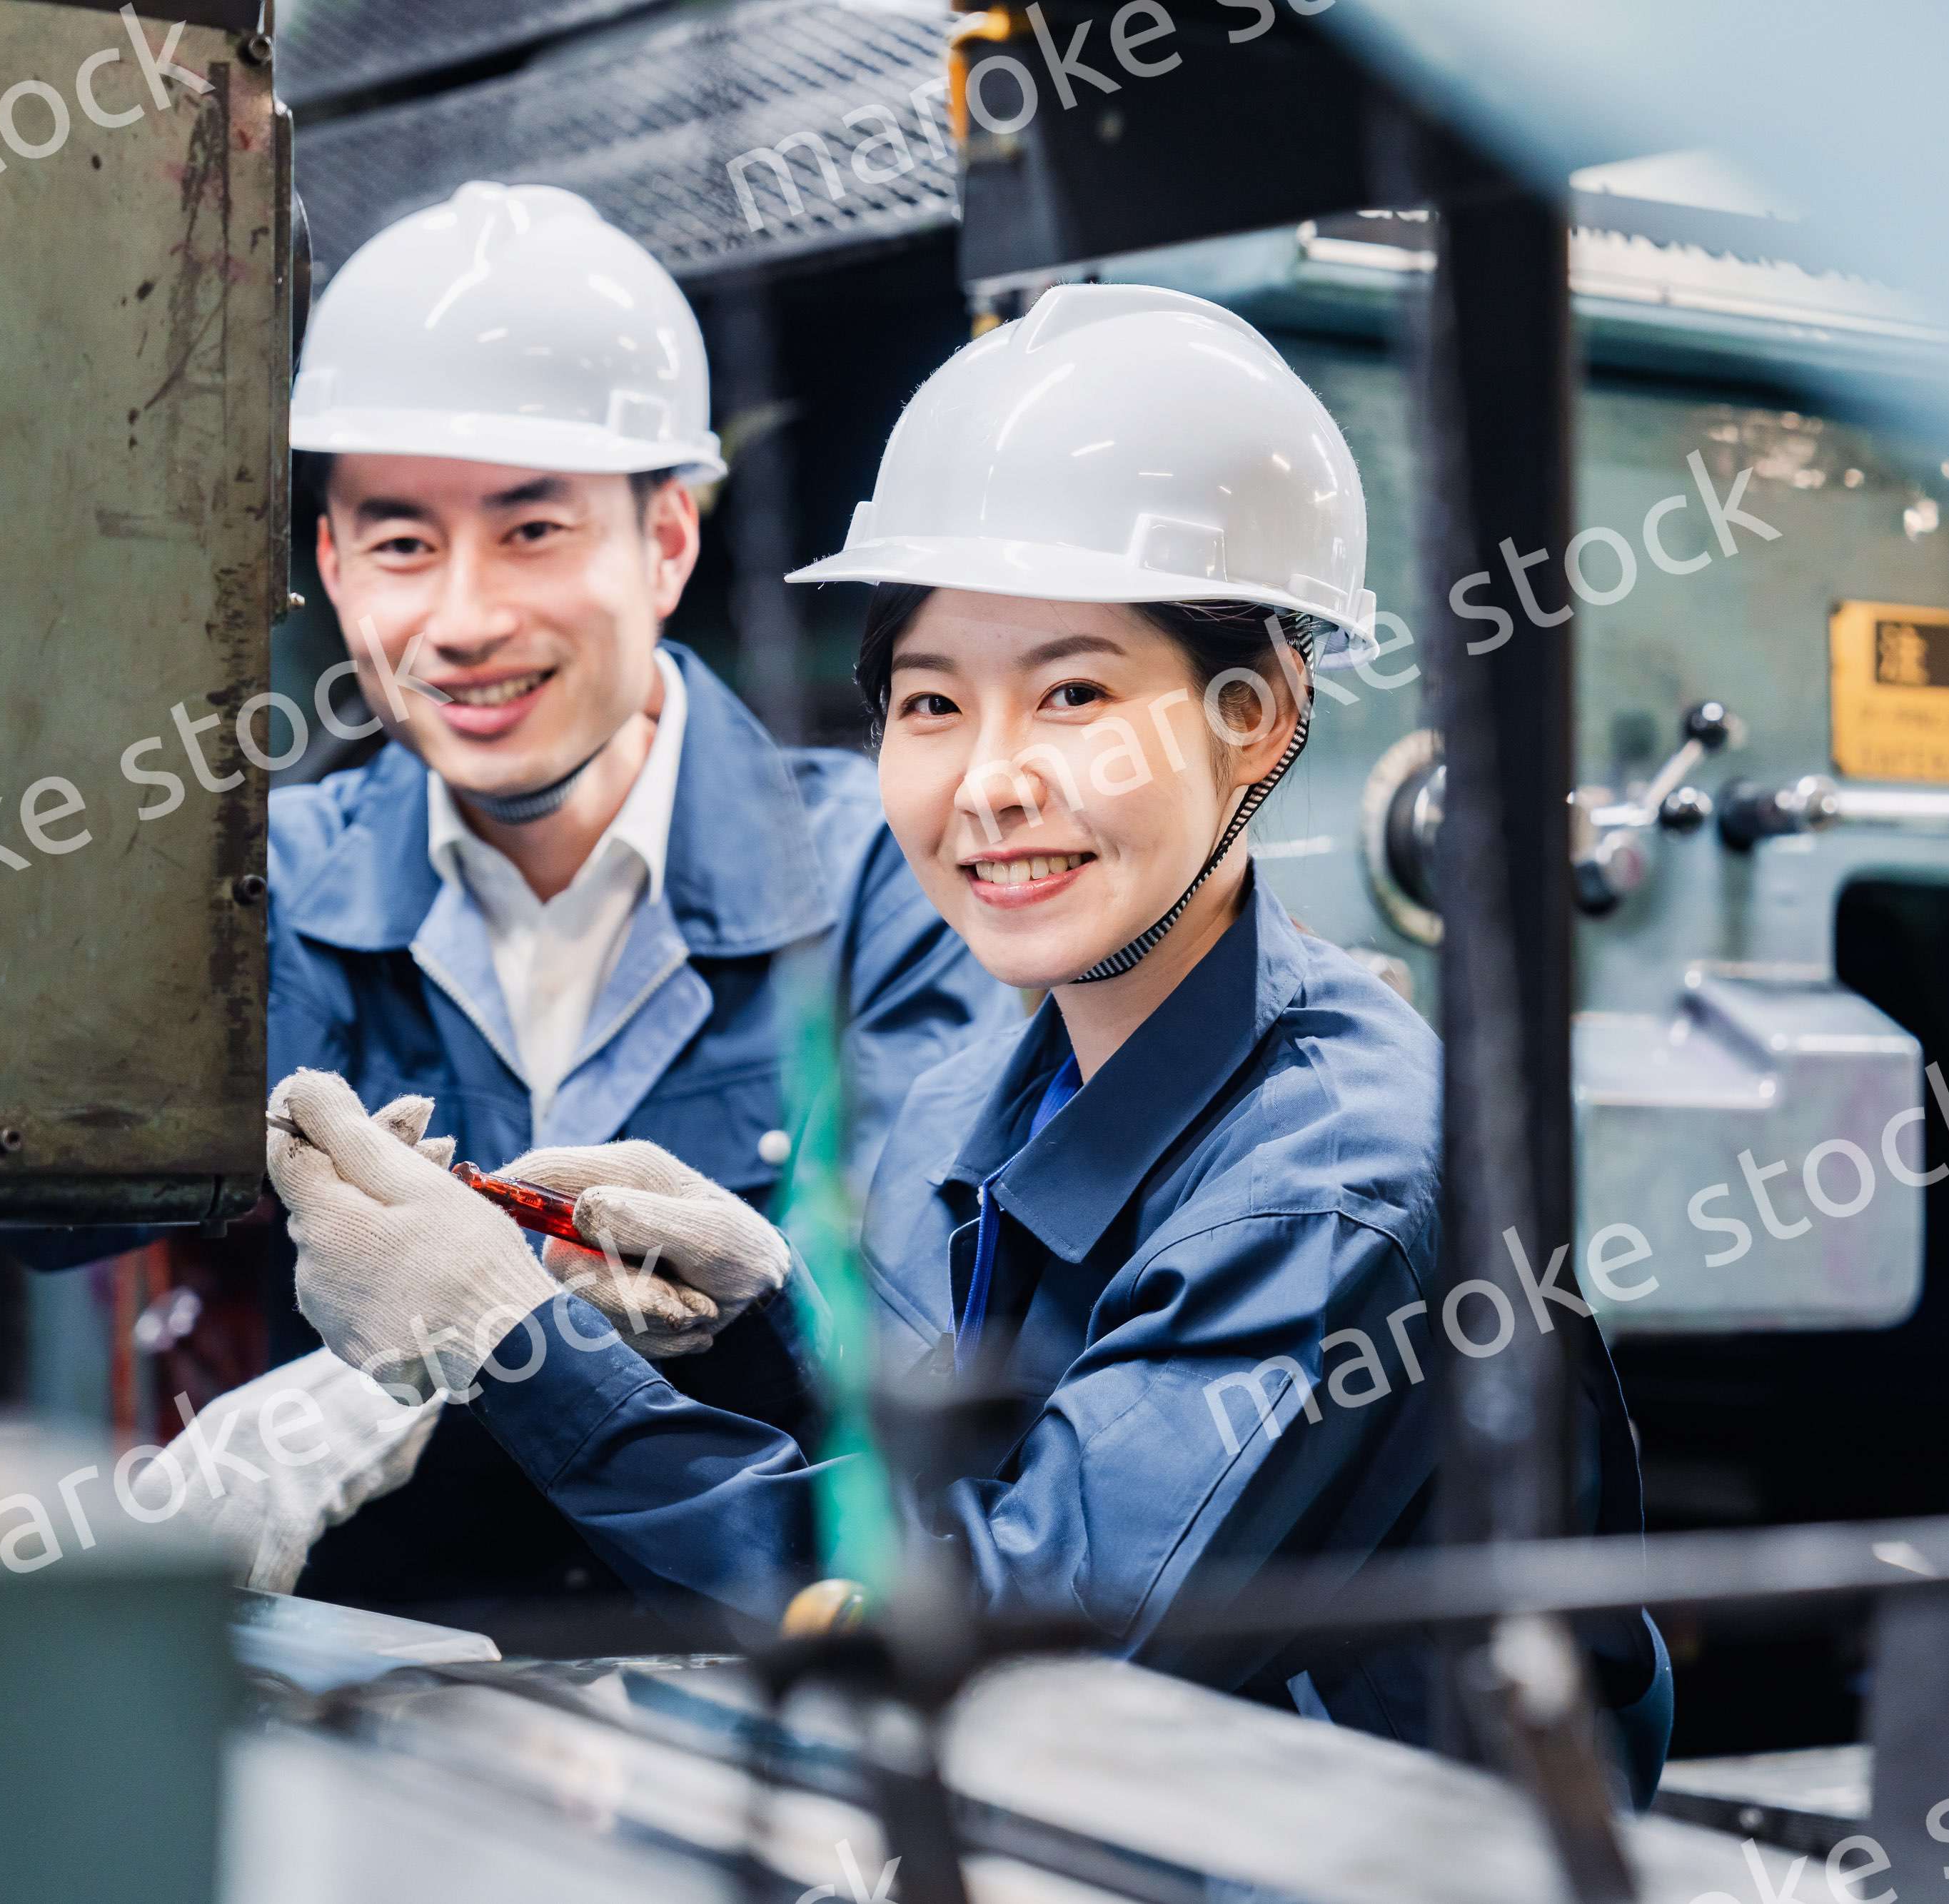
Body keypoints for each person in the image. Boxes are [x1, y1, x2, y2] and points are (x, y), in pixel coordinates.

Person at [265, 283, 1671, 1790]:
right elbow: (940, 1497)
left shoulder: (1336, 1181)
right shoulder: (961, 1107)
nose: (988, 781)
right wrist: (768, 1333)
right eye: (931, 703)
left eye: (1072, 694)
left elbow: (1004, 1648)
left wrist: (511, 1345)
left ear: (1256, 720)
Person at [139, 182, 1014, 1638]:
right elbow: (36, 1198)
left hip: (752, 1691)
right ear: (336, 566)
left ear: (667, 539)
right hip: (389, 1702)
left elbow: (913, 1363)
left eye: (533, 530)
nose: (465, 619)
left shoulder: (884, 883)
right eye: (404, 543)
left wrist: (510, 1336)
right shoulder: (272, 887)